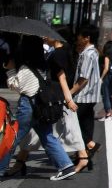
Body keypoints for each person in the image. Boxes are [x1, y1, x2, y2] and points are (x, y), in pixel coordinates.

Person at [1, 35, 75, 180]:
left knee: (12, 136)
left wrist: (9, 70)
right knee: (47, 136)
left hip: (29, 106)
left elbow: (17, 86)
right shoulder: (43, 64)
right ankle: (66, 165)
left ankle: (1, 168)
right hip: (42, 107)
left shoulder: (26, 67)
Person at [68, 23, 103, 174]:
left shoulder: (87, 54)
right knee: (86, 126)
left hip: (84, 96)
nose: (77, 39)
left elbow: (83, 79)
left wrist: (70, 94)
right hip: (92, 96)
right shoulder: (93, 52)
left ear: (86, 38)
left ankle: (89, 147)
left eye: (79, 36)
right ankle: (84, 155)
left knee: (71, 126)